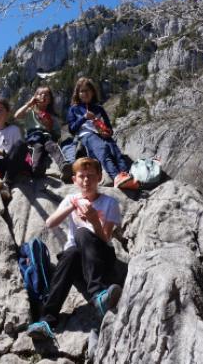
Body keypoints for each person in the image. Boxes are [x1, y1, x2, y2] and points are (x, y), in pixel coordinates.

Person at [27, 157, 123, 340]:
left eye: (91, 176)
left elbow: (106, 237)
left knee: (82, 234)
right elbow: (50, 223)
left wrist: (94, 220)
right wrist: (71, 205)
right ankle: (47, 320)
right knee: (70, 251)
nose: (86, 180)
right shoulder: (71, 199)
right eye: (82, 176)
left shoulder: (110, 203)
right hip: (77, 259)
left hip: (101, 256)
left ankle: (98, 293)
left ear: (100, 178)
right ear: (74, 180)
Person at [66, 77, 133, 188]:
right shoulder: (74, 109)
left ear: (92, 92)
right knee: (103, 149)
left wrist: (108, 132)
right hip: (86, 135)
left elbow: (109, 127)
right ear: (77, 94)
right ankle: (116, 177)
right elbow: (72, 129)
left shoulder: (99, 108)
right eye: (82, 91)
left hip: (102, 134)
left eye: (87, 90)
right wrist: (84, 118)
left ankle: (125, 174)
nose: (85, 93)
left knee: (115, 151)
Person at [14, 86, 73, 182]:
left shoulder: (52, 116)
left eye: (46, 95)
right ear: (35, 97)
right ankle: (36, 168)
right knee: (38, 147)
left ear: (50, 100)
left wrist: (49, 126)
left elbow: (57, 134)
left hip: (47, 137)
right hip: (33, 137)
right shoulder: (30, 111)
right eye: (40, 94)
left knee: (52, 146)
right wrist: (29, 104)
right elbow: (17, 116)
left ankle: (64, 166)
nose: (43, 96)